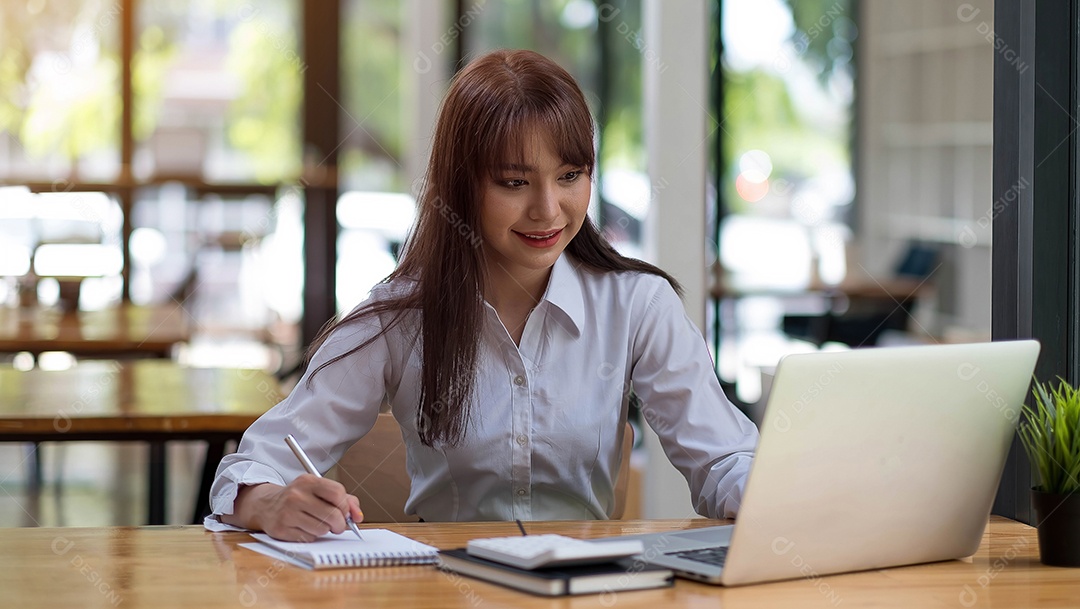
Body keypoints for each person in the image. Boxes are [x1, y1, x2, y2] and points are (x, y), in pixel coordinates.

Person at [211, 49, 758, 541]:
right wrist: (271, 501)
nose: (548, 209)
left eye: (570, 175)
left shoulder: (637, 305)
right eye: (515, 183)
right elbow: (252, 467)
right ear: (460, 185)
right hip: (443, 590)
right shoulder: (398, 315)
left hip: (588, 589)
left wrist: (767, 492)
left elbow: (723, 460)